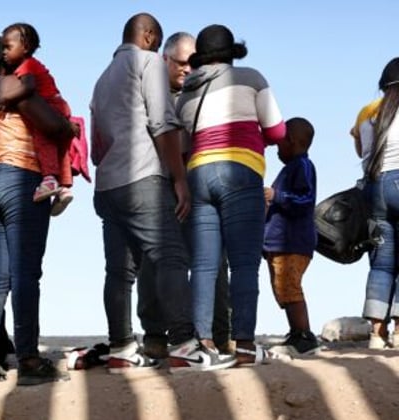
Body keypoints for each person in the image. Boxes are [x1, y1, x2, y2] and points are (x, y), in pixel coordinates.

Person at [90, 13, 235, 373]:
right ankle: (185, 344)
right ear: (151, 36)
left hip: (108, 183)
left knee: (119, 272)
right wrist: (179, 178)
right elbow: (162, 123)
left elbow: (96, 146)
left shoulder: (102, 78)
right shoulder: (148, 62)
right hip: (143, 179)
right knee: (171, 257)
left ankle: (122, 348)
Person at [176, 24, 286, 365]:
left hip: (199, 174)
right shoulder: (251, 78)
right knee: (243, 263)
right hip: (240, 170)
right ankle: (244, 346)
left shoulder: (185, 94)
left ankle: (202, 345)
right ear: (231, 53)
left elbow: (182, 146)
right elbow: (278, 131)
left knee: (205, 265)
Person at [0, 29, 75, 386]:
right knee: (27, 272)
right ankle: (28, 358)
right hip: (21, 176)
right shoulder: (9, 87)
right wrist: (68, 127)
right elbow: (52, 125)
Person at [137, 30, 232, 359]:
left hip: (201, 188)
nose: (187, 70)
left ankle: (220, 336)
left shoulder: (206, 92)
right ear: (164, 59)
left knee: (214, 261)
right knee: (154, 262)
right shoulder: (148, 93)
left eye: (193, 64)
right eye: (180, 63)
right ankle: (154, 335)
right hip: (160, 187)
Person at [0, 22, 75, 215]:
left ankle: (49, 179)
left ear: (24, 47)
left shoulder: (26, 66)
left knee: (43, 139)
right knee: (60, 147)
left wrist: (6, 98)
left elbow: (28, 88)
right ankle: (64, 188)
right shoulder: (31, 64)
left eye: (8, 47)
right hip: (60, 104)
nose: (4, 52)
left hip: (51, 105)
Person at [263, 117, 320, 355]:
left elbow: (305, 201)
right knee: (282, 288)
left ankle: (304, 336)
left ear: (293, 141)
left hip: (293, 243)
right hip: (278, 245)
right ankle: (296, 333)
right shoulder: (289, 169)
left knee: (290, 287)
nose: (277, 151)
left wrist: (276, 196)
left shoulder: (303, 167)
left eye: (279, 145)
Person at [361, 58, 399, 349]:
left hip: (375, 188)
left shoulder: (369, 119)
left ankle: (376, 332)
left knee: (381, 263)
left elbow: (365, 158)